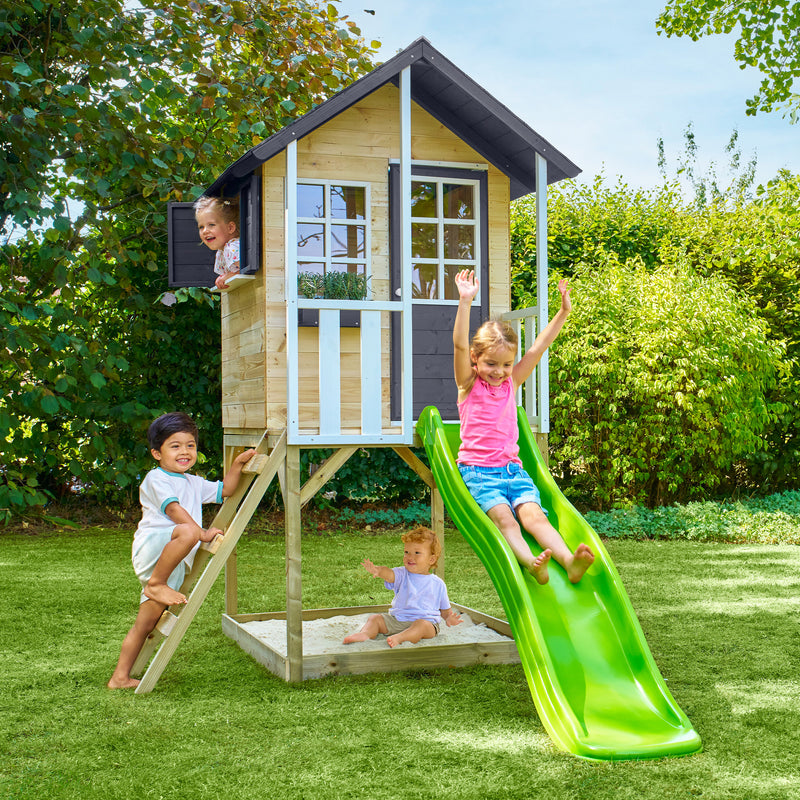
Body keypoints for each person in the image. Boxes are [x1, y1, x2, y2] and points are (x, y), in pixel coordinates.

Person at [453, 269, 594, 586]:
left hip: (514, 471)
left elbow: (537, 349)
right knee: (505, 518)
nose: (499, 371)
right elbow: (460, 347)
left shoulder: (511, 384)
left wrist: (563, 312)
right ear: (476, 360)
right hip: (479, 472)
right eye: (491, 364)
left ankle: (569, 561)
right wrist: (465, 302)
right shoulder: (468, 385)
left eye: (505, 364)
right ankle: (531, 562)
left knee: (535, 517)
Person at [108, 412, 255, 689]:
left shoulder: (192, 482)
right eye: (175, 446)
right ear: (156, 453)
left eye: (190, 445)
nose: (185, 451)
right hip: (153, 549)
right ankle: (156, 584)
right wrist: (201, 533)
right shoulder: (156, 479)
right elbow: (175, 512)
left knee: (146, 625)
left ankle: (119, 677)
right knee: (188, 530)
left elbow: (226, 491)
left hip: (173, 562)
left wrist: (237, 465)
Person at [343, 527, 462, 648]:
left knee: (421, 625)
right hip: (398, 620)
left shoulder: (438, 584)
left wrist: (448, 618)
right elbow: (389, 574)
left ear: (431, 559)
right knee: (375, 619)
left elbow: (445, 610)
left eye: (417, 553)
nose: (410, 556)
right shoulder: (402, 574)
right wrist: (378, 570)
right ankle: (365, 634)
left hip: (427, 624)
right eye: (407, 552)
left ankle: (400, 638)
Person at [194, 195, 240, 290]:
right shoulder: (222, 251)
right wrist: (223, 277)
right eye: (201, 227)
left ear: (230, 228)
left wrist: (232, 275)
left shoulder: (233, 247)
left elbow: (247, 269)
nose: (205, 231)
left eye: (211, 225)